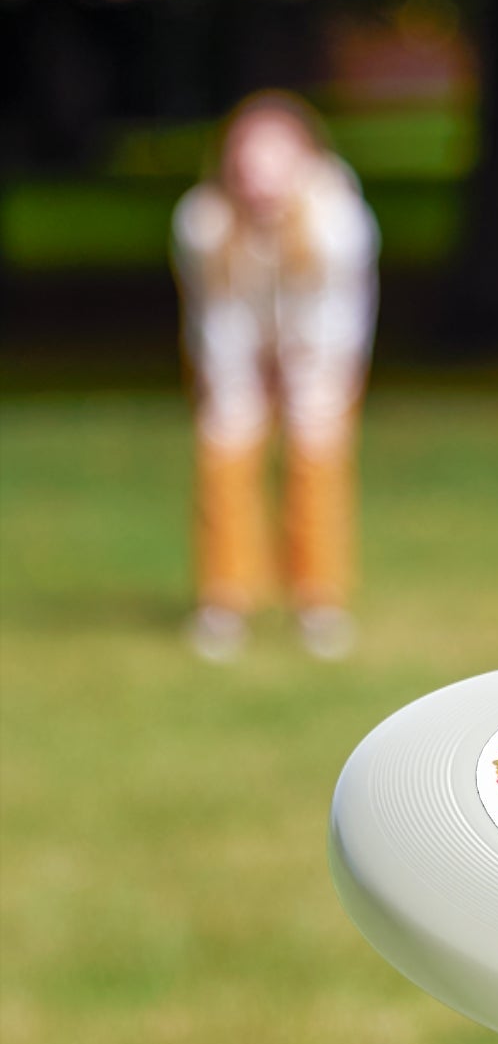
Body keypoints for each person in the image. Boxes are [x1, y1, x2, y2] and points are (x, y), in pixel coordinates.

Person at [172, 91, 379, 662]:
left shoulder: (338, 220)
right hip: (234, 351)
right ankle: (225, 599)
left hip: (320, 353)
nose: (259, 175)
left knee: (317, 459)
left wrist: (305, 378)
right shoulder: (203, 222)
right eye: (248, 158)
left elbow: (336, 316)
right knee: (224, 453)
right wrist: (237, 385)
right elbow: (217, 316)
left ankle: (319, 601)